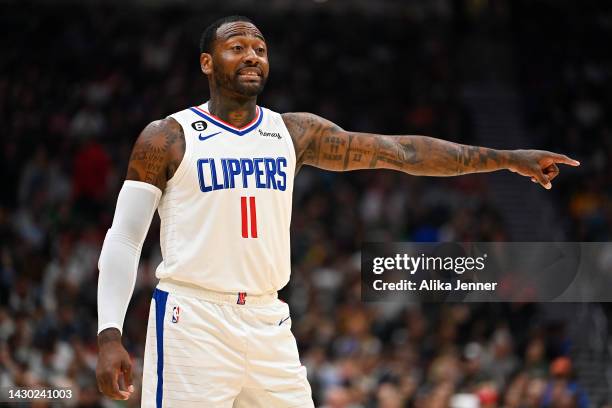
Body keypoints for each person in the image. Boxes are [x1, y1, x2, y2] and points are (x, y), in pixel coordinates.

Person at [95, 15, 580, 407]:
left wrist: (504, 159)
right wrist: (109, 335)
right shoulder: (167, 136)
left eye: (260, 49)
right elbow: (123, 239)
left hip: (268, 320)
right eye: (236, 46)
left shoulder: (293, 132)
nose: (251, 56)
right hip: (193, 318)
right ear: (207, 62)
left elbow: (401, 152)